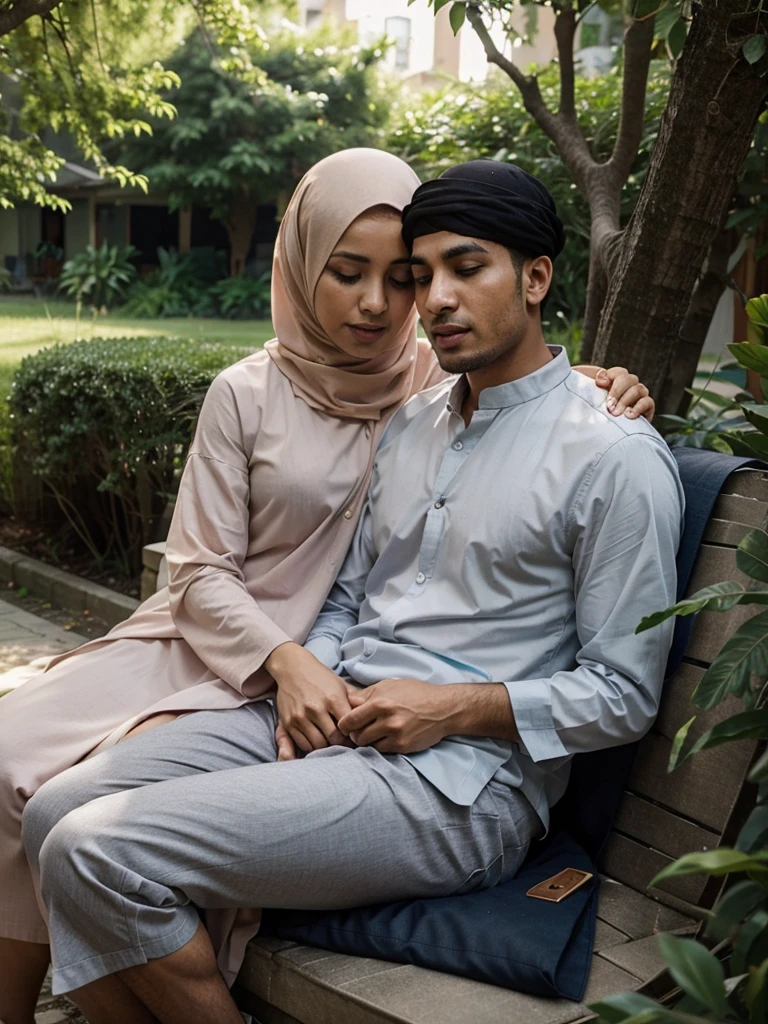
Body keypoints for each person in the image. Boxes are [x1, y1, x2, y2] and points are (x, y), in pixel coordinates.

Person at [17, 159, 682, 1024]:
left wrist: (451, 708)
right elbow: (348, 597)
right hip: (333, 721)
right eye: (422, 274)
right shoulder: (411, 424)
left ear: (536, 277)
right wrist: (315, 685)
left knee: (99, 851)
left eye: (466, 267)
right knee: (57, 811)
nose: (433, 298)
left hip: (457, 786)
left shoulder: (613, 456)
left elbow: (624, 694)